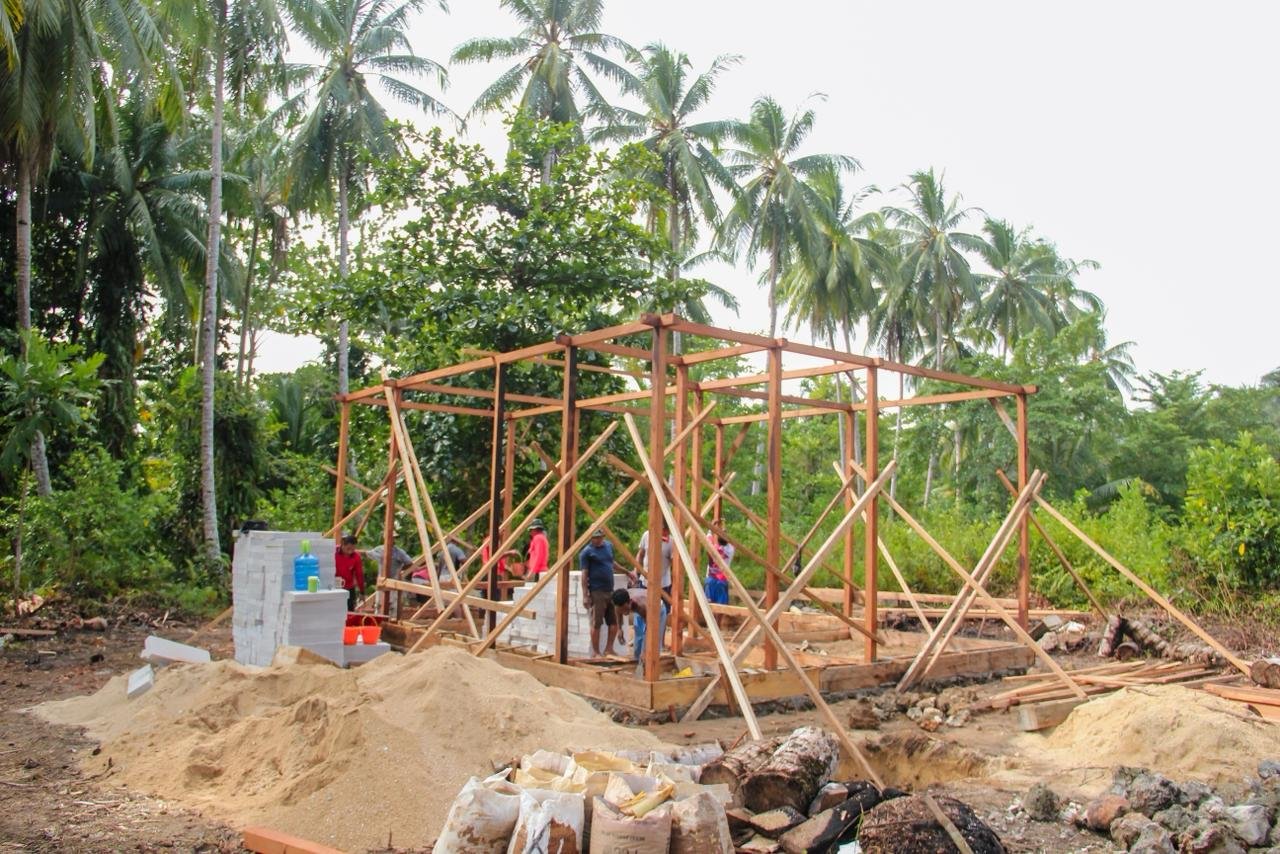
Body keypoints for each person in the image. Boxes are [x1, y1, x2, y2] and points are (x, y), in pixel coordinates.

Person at [579, 530, 624, 657]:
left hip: (610, 590)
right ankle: (596, 652)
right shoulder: (587, 552)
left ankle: (609, 649)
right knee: (597, 622)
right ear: (591, 538)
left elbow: (612, 563)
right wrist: (585, 595)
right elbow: (584, 574)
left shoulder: (608, 546)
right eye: (595, 538)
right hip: (597, 591)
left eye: (600, 538)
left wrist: (627, 572)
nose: (598, 540)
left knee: (613, 622)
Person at [611, 586, 668, 667]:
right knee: (638, 641)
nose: (622, 612)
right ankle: (638, 664)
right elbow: (617, 611)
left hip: (657, 609)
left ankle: (651, 667)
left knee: (654, 641)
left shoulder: (642, 606)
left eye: (624, 609)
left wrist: (645, 651)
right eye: (620, 610)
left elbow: (649, 630)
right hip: (639, 608)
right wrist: (619, 629)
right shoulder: (619, 602)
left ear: (629, 603)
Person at [635, 522, 673, 597]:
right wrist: (638, 572)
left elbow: (675, 567)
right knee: (643, 603)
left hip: (663, 585)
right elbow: (641, 554)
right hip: (645, 582)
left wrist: (674, 586)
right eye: (664, 529)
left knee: (664, 604)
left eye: (667, 530)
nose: (666, 532)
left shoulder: (671, 542)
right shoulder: (647, 535)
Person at [334, 535, 365, 611]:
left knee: (349, 612)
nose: (350, 551)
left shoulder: (356, 557)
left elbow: (359, 575)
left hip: (349, 589)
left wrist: (362, 592)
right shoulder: (333, 551)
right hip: (334, 588)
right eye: (348, 548)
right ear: (342, 545)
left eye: (353, 549)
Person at [704, 532, 733, 606]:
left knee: (708, 606)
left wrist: (713, 530)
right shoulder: (730, 550)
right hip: (722, 580)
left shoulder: (712, 547)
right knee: (722, 607)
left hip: (711, 581)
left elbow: (709, 536)